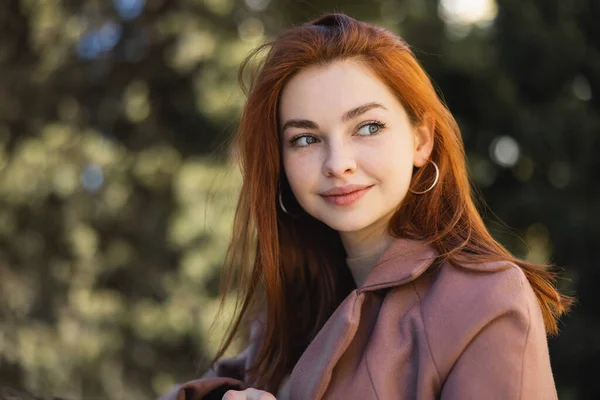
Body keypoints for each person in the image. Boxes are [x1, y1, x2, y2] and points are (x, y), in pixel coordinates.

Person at [158, 13, 572, 400]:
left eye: (368, 127)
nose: (338, 164)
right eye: (305, 138)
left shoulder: (486, 298)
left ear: (421, 139)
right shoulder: (292, 311)